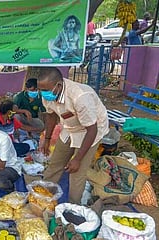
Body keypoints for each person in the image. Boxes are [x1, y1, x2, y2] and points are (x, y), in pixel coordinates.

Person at [37, 67, 109, 204]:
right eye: (40, 90)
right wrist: (47, 139)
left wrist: (77, 158)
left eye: (45, 90)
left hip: (91, 130)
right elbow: (51, 116)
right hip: (70, 127)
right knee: (55, 164)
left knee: (77, 173)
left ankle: (72, 208)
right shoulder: (48, 93)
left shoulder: (80, 97)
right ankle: (43, 199)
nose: (43, 93)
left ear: (58, 85)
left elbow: (92, 130)